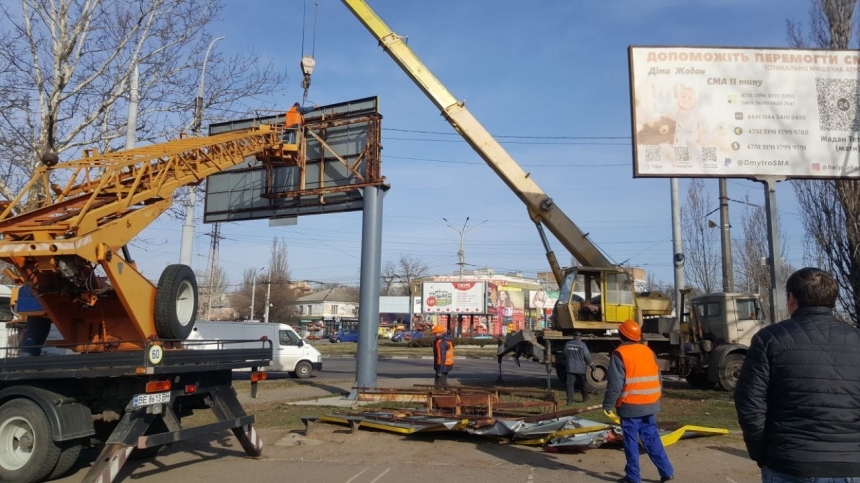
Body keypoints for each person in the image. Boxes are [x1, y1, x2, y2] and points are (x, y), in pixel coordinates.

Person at [734, 267, 860, 482]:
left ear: (791, 298)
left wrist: (762, 453)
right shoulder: (856, 339)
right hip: (851, 465)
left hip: (789, 463)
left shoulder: (770, 339)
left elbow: (749, 403)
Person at [603, 319, 674, 483]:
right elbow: (659, 378)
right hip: (650, 404)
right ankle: (666, 471)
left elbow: (615, 385)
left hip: (630, 407)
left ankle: (633, 477)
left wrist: (607, 405)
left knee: (631, 443)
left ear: (621, 335)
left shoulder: (620, 354)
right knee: (652, 439)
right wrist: (654, 398)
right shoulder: (648, 351)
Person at [563, 331, 595, 404]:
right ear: (580, 337)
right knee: (583, 384)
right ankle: (585, 399)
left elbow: (564, 355)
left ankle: (569, 401)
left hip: (570, 368)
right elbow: (587, 356)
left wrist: (564, 364)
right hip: (580, 369)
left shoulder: (567, 344)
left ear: (573, 336)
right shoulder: (582, 345)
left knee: (570, 385)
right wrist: (593, 366)